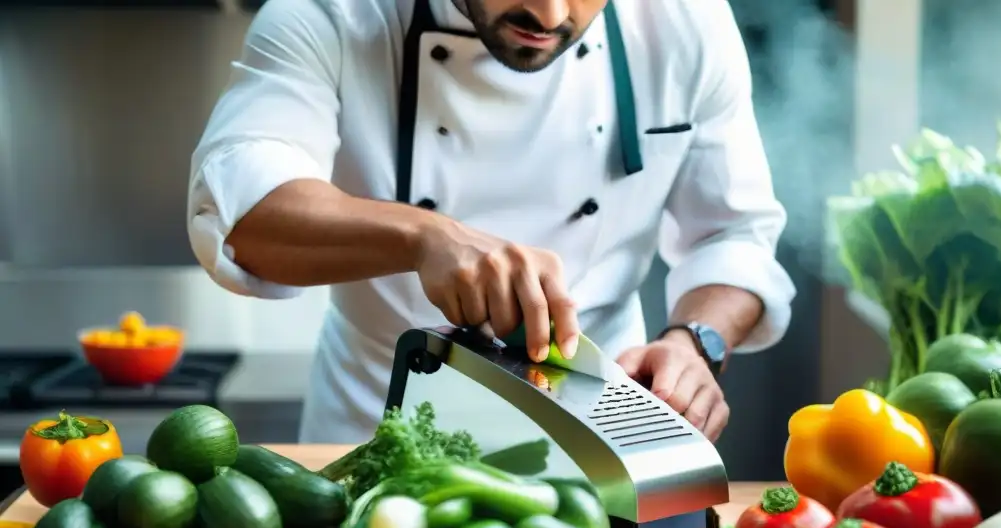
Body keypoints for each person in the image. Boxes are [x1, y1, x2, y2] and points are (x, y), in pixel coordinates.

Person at [187, 0, 796, 446]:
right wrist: (424, 236)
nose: (551, 14)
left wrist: (694, 342)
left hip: (599, 430)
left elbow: (733, 234)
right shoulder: (334, 14)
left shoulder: (686, 22)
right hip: (375, 426)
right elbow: (245, 212)